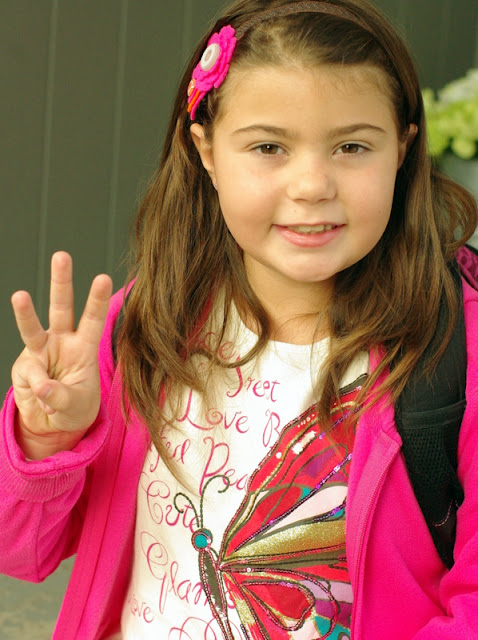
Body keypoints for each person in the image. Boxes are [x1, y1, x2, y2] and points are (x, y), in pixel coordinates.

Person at [1, 0, 477, 638]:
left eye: (352, 146)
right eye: (269, 146)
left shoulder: (455, 353)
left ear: (402, 149)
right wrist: (47, 440)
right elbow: (21, 554)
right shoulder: (148, 324)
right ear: (205, 151)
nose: (312, 185)